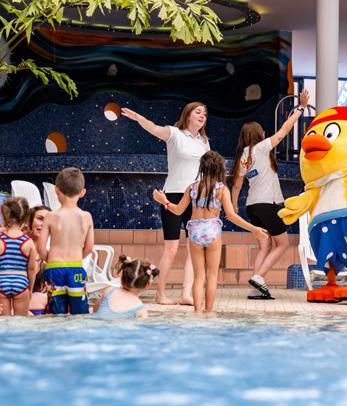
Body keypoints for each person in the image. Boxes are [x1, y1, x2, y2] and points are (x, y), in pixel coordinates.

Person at [153, 151, 269, 312]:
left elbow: (178, 210)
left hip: (194, 232)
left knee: (199, 277)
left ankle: (197, 312)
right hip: (212, 232)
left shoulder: (192, 188)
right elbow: (231, 216)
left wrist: (165, 201)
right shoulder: (222, 189)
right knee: (212, 277)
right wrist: (253, 229)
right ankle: (208, 312)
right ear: (220, 169)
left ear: (201, 167)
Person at [121, 102, 211, 306]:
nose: (202, 115)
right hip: (173, 195)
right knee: (171, 248)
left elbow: (208, 169)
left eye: (205, 114)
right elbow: (153, 128)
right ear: (188, 114)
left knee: (194, 248)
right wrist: (138, 118)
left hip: (195, 198)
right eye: (198, 112)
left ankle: (186, 294)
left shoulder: (204, 142)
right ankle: (160, 294)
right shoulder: (175, 134)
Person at [230, 89, 309, 299]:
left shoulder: (243, 156)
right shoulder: (261, 148)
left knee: (264, 245)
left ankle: (255, 286)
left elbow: (237, 185)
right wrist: (300, 109)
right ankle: (259, 277)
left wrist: (234, 205)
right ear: (258, 134)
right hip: (267, 204)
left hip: (252, 206)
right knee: (283, 244)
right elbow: (284, 131)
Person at [37, 167, 94, 315]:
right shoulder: (86, 217)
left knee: (56, 314)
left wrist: (50, 260)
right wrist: (77, 258)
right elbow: (89, 248)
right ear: (82, 192)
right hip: (76, 268)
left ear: (56, 190)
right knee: (80, 315)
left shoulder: (51, 216)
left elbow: (40, 247)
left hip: (54, 269)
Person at [0, 197, 38, 316]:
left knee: (3, 322)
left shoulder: (0, 240)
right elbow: (32, 269)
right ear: (26, 217)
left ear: (5, 215)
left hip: (1, 281)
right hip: (21, 282)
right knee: (21, 322)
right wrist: (30, 289)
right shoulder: (28, 242)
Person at [92, 256, 159, 320]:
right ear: (147, 284)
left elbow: (94, 310)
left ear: (121, 279)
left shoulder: (109, 291)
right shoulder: (140, 310)